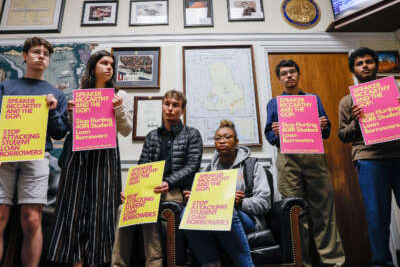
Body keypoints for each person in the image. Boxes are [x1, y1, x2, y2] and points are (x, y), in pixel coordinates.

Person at [47, 50, 133, 267]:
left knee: (102, 212)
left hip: (105, 159)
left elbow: (126, 131)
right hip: (78, 158)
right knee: (73, 210)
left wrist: (118, 109)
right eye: (104, 63)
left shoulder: (119, 95)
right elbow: (68, 131)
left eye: (112, 64)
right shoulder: (79, 96)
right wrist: (70, 114)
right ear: (93, 67)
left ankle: (96, 261)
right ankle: (75, 262)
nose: (109, 67)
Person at [265, 59, 345, 267]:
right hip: (288, 160)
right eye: (284, 73)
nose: (289, 76)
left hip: (314, 158)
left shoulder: (313, 99)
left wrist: (323, 125)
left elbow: (326, 132)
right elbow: (269, 134)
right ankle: (303, 263)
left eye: (292, 72)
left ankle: (333, 262)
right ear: (279, 78)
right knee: (295, 213)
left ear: (298, 75)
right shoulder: (274, 103)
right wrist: (276, 134)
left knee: (324, 213)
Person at [112, 89, 203, 267]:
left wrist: (168, 182)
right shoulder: (152, 136)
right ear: (162, 106)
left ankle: (154, 263)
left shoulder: (192, 134)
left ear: (182, 110)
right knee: (124, 209)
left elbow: (192, 167)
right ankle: (117, 264)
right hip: (150, 190)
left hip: (175, 191)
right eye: (167, 104)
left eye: (175, 105)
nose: (170, 108)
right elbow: (142, 166)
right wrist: (131, 191)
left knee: (149, 209)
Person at [0, 37, 68, 267]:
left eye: (46, 54)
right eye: (36, 52)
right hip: (4, 158)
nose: (41, 56)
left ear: (49, 61)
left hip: (37, 157)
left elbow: (59, 134)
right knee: (0, 219)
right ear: (25, 56)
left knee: (31, 220)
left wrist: (52, 111)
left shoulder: (55, 94)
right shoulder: (6, 87)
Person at [338, 47, 400, 267]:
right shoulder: (347, 102)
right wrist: (356, 121)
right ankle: (381, 263)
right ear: (353, 70)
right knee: (377, 215)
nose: (365, 65)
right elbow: (343, 135)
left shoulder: (396, 92)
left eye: (368, 61)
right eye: (359, 63)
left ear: (376, 65)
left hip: (398, 155)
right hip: (369, 159)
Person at [182, 119, 271, 267]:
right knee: (186, 212)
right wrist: (194, 199)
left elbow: (264, 203)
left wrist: (241, 202)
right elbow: (203, 201)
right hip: (213, 219)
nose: (222, 141)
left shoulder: (253, 166)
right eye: (218, 138)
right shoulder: (208, 170)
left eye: (227, 137)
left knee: (225, 210)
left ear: (236, 141)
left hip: (247, 219)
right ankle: (212, 263)